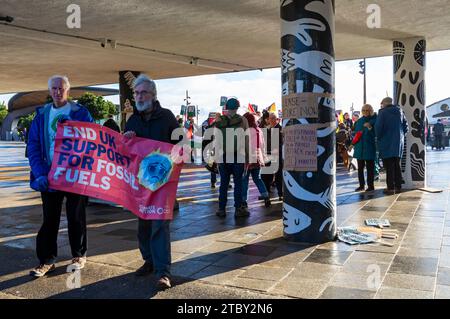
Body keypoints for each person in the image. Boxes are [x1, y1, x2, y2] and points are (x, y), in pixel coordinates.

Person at [27, 75, 93, 277]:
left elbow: (92, 142)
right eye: (54, 88)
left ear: (68, 90)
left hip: (74, 176)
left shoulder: (80, 113)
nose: (57, 92)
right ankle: (46, 261)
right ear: (50, 90)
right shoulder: (41, 116)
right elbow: (34, 147)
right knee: (50, 219)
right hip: (50, 177)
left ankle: (78, 255)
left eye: (61, 88)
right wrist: (39, 174)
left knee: (76, 217)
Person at [123, 74, 179, 289]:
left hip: (162, 183)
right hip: (140, 184)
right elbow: (125, 151)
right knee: (143, 226)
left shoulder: (167, 117)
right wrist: (127, 139)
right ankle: (148, 260)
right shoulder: (133, 120)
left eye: (143, 92)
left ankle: (163, 272)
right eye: (136, 93)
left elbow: (180, 143)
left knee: (159, 226)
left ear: (153, 95)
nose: (138, 96)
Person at [213, 97, 249, 218]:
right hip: (238, 155)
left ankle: (221, 209)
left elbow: (216, 140)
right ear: (237, 108)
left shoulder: (219, 121)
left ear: (226, 108)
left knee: (224, 183)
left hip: (223, 156)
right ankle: (238, 209)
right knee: (238, 182)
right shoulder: (242, 120)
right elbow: (247, 139)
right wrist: (248, 157)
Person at [375, 97, 409, 195]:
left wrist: (379, 137)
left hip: (386, 142)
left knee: (389, 166)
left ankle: (390, 188)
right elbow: (406, 127)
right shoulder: (400, 111)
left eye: (381, 104)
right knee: (397, 165)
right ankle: (398, 187)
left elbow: (378, 128)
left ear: (384, 103)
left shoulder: (383, 112)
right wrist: (401, 136)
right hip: (398, 143)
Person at [242, 112, 271, 208]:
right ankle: (266, 196)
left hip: (247, 159)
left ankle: (243, 200)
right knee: (257, 178)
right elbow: (262, 145)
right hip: (257, 158)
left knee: (244, 180)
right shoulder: (258, 130)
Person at [352, 104, 377, 192]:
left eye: (367, 110)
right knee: (360, 169)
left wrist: (370, 127)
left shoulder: (374, 120)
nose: (366, 112)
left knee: (370, 169)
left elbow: (376, 134)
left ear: (371, 111)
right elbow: (356, 134)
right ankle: (361, 185)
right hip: (359, 148)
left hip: (369, 147)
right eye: (364, 110)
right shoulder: (359, 121)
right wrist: (352, 144)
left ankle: (371, 186)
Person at [261, 112, 283, 201]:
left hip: (277, 155)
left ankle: (280, 194)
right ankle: (266, 193)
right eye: (269, 119)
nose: (270, 120)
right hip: (268, 154)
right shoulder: (269, 129)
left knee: (278, 176)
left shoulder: (280, 129)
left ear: (276, 119)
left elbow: (282, 142)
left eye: (272, 119)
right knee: (266, 174)